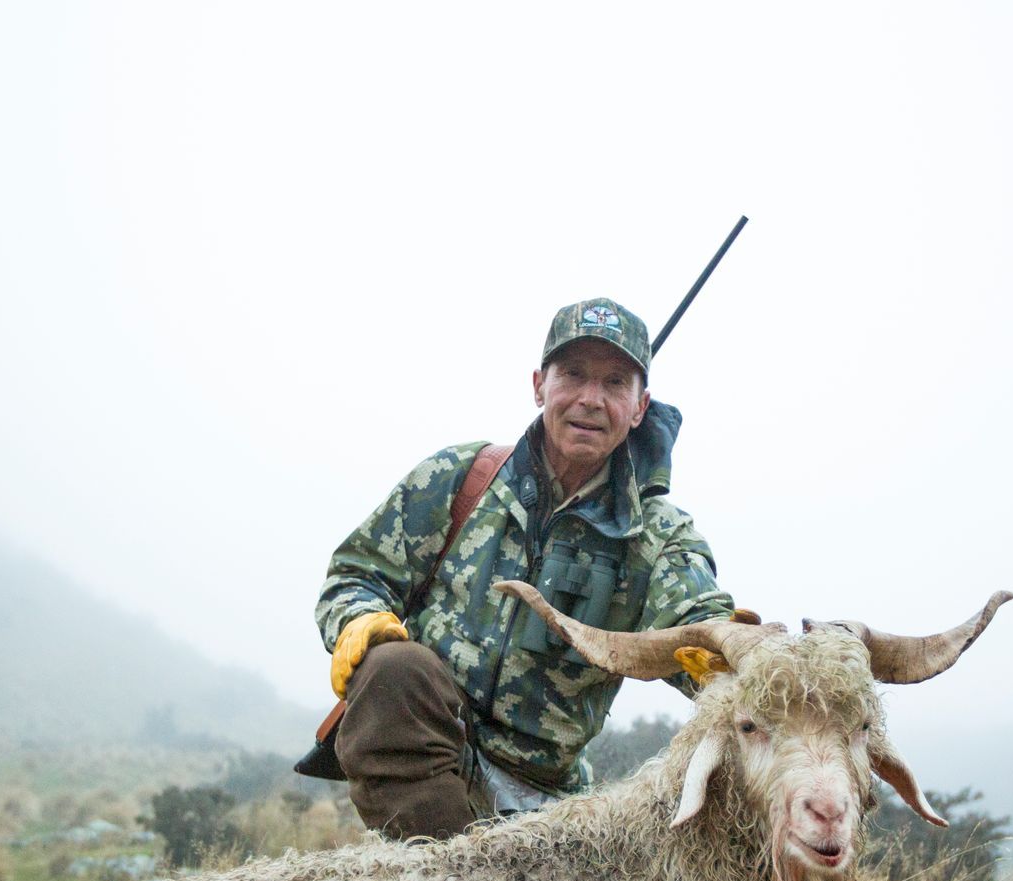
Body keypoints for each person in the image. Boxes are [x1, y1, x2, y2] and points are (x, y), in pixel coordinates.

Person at [314, 297, 735, 839]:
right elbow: (356, 574)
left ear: (640, 406)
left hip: (549, 802)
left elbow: (701, 621)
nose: (590, 399)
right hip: (429, 760)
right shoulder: (458, 476)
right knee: (394, 669)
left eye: (614, 383)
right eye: (574, 375)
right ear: (539, 385)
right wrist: (359, 622)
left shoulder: (661, 537)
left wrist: (736, 654)